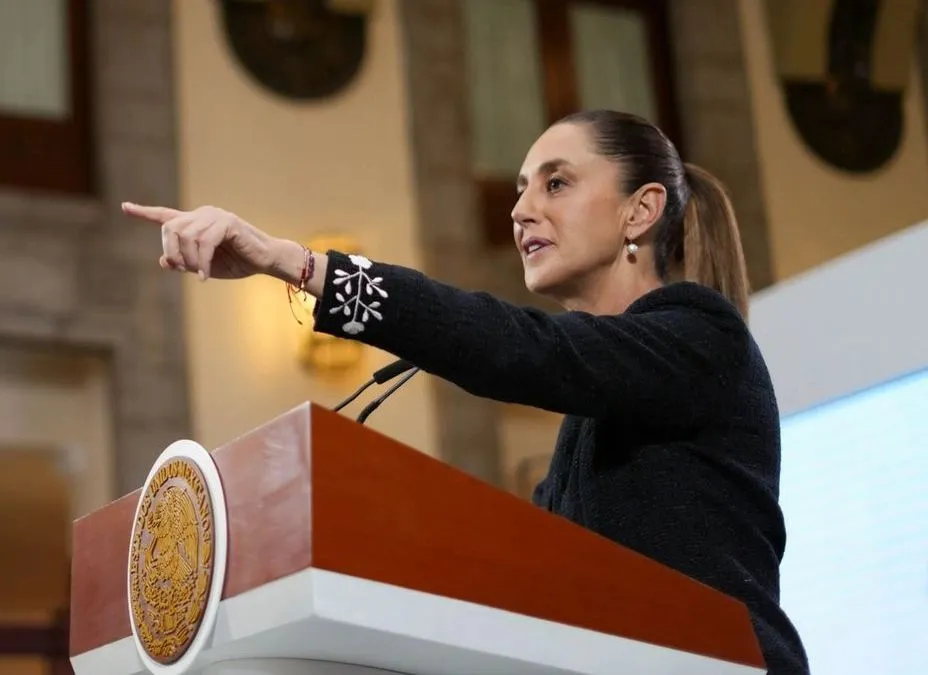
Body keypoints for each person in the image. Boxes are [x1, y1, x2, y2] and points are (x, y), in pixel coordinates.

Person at [122, 109, 809, 674]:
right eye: (519, 188)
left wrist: (299, 265)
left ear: (641, 210)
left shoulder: (701, 334)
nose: (520, 210)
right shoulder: (596, 409)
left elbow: (521, 349)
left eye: (556, 183)